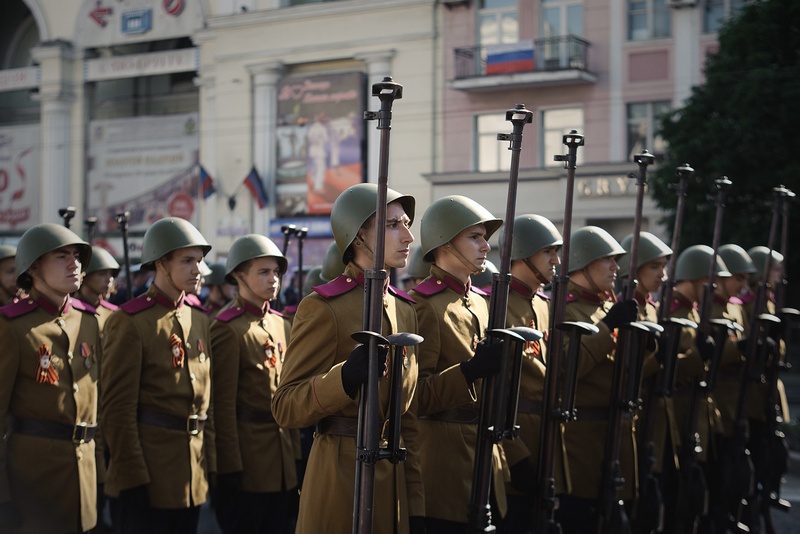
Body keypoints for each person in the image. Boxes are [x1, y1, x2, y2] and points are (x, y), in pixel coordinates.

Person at [272, 183, 424, 534]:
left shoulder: (406, 310)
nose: (407, 236)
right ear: (358, 237)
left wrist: (415, 505)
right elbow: (285, 406)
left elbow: (409, 421)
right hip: (341, 478)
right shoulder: (324, 308)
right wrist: (342, 378)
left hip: (393, 485)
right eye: (391, 225)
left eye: (406, 223)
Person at [101, 217, 215, 534]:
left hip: (190, 476)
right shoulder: (130, 321)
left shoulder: (199, 318)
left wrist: (212, 467)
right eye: (187, 260)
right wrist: (131, 475)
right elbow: (117, 409)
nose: (197, 269)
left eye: (199, 260)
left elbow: (207, 402)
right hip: (147, 477)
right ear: (162, 263)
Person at [409, 195, 507, 532]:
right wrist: (467, 372)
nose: (486, 247)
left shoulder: (479, 303)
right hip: (444, 467)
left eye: (485, 238)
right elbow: (412, 397)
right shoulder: (423, 305)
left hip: (484, 457)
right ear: (444, 241)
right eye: (475, 237)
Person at [0, 224, 101, 533]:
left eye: (76, 256)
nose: (74, 264)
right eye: (61, 256)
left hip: (84, 475)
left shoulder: (88, 321)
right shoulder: (12, 327)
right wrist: (3, 497)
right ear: (33, 267)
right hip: (33, 483)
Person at [210, 234, 297, 534]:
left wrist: (295, 455)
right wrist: (230, 466)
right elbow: (222, 406)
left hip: (282, 460)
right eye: (263, 272)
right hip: (249, 463)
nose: (273, 279)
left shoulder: (281, 324)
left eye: (276, 272)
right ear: (238, 275)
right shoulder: (227, 329)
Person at [554, 226, 639, 533]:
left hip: (615, 436)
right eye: (608, 259)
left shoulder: (607, 305)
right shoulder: (563, 309)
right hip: (581, 445)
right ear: (584, 262)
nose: (616, 267)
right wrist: (608, 327)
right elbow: (567, 367)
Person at [496, 214, 564, 533]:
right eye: (547, 252)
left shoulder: (543, 305)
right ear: (523, 254)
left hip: (545, 445)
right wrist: (517, 457)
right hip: (514, 447)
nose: (556, 260)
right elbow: (496, 390)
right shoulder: (498, 305)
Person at [668, 244, 731, 533]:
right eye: (710, 280)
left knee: (699, 495)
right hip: (678, 415)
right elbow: (668, 371)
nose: (716, 286)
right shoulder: (672, 312)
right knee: (678, 501)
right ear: (693, 278)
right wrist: (697, 356)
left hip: (698, 414)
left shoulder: (694, 313)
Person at [72, 245, 121, 533]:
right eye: (101, 273)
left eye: (111, 275)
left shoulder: (115, 315)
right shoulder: (76, 313)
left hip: (108, 404)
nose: (107, 280)